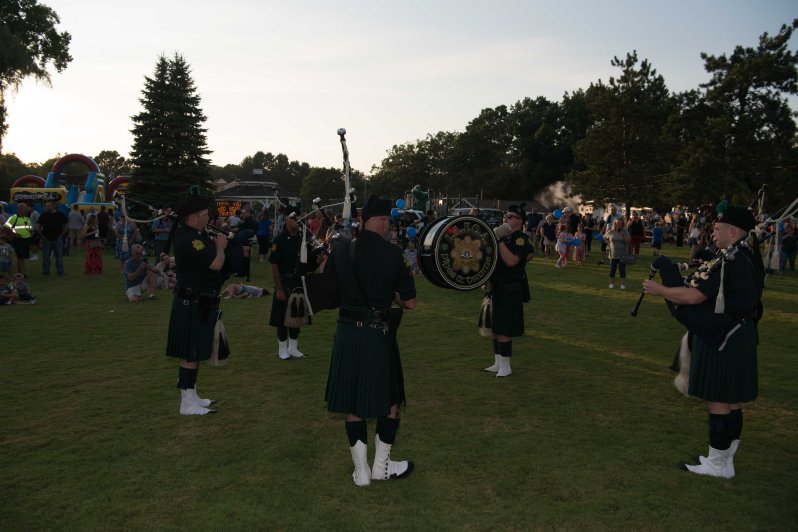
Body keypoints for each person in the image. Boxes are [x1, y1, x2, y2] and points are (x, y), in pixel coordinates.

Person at [643, 205, 761, 478]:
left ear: (733, 232)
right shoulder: (745, 256)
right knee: (732, 400)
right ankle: (725, 460)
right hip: (739, 332)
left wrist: (659, 289)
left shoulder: (731, 261)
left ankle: (717, 465)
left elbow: (694, 297)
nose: (713, 233)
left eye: (718, 229)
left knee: (718, 399)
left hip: (724, 336)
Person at [324, 195, 417, 486]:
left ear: (362, 221)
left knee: (354, 402)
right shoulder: (393, 253)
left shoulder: (341, 249)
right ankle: (381, 467)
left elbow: (328, 290)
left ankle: (361, 472)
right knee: (389, 399)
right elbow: (410, 302)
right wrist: (392, 296)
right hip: (378, 333)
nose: (387, 225)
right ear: (379, 221)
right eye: (385, 220)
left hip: (347, 333)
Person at [166, 196, 229, 416]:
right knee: (190, 353)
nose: (208, 217)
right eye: (204, 214)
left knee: (195, 351)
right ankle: (186, 403)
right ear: (192, 217)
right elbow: (216, 263)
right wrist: (221, 248)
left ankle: (192, 395)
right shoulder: (190, 239)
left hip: (199, 302)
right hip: (191, 302)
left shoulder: (197, 235)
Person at [481, 205, 534, 378]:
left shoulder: (520, 240)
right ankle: (497, 363)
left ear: (520, 221)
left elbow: (512, 261)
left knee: (504, 328)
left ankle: (506, 366)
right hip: (495, 287)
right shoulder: (504, 237)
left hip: (509, 288)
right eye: (507, 215)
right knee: (494, 327)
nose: (507, 219)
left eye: (511, 216)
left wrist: (499, 241)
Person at [268, 209, 317, 359]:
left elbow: (309, 264)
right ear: (286, 220)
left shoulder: (302, 239)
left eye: (299, 218)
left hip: (299, 282)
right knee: (282, 319)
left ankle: (293, 348)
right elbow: (274, 265)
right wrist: (279, 289)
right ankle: (282, 349)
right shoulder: (280, 239)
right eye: (294, 218)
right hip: (285, 282)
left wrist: (318, 259)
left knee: (297, 317)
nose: (297, 221)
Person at [37, 201, 69, 276]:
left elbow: (66, 224)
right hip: (46, 239)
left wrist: (62, 234)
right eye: (45, 206)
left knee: (59, 257)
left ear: (53, 206)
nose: (46, 207)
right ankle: (45, 271)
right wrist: (41, 235)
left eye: (48, 206)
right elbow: (38, 226)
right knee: (46, 257)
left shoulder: (60, 215)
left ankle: (60, 271)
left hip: (57, 239)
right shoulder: (43, 215)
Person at [4, 203, 34, 278]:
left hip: (26, 240)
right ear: (20, 209)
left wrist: (30, 234)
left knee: (23, 257)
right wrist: (14, 233)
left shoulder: (27, 218)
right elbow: (6, 227)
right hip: (19, 240)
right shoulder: (14, 218)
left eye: (26, 208)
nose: (26, 210)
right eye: (25, 208)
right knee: (20, 257)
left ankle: (21, 272)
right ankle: (22, 273)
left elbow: (29, 228)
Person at [604, 218, 631, 289]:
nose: (619, 224)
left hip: (623, 253)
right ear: (615, 224)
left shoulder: (625, 231)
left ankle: (622, 285)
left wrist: (623, 235)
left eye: (621, 223)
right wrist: (608, 243)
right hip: (613, 253)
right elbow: (604, 237)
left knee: (622, 270)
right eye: (618, 223)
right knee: (612, 269)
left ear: (623, 224)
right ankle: (611, 284)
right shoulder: (612, 231)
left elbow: (628, 241)